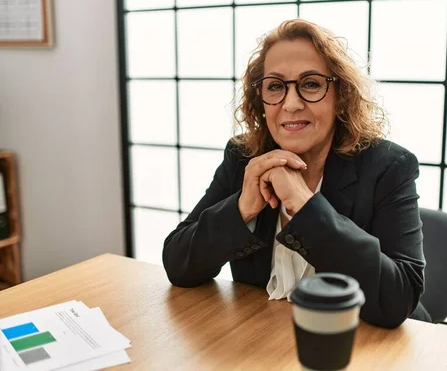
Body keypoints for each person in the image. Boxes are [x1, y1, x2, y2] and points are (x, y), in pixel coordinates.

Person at [162, 19, 430, 328]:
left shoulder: (388, 166)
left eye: (311, 84)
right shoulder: (243, 158)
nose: (290, 104)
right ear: (260, 100)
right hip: (268, 338)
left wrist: (306, 206)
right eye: (275, 86)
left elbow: (399, 299)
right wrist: (242, 206)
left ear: (340, 95)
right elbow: (177, 263)